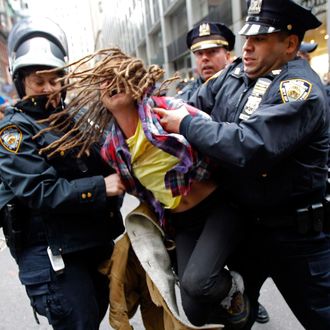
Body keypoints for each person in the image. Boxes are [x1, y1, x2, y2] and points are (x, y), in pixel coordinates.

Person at [36, 47, 249, 329]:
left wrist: (186, 128)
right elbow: (138, 190)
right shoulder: (112, 148)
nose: (111, 85)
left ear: (134, 82)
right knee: (194, 310)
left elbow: (219, 141)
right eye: (105, 82)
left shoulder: (167, 111)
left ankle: (234, 290)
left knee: (199, 283)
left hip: (219, 208)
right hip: (181, 223)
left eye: (118, 78)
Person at [153, 0, 330, 329]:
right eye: (247, 37)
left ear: (290, 44)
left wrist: (186, 125)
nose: (246, 48)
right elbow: (192, 103)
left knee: (321, 315)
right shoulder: (234, 74)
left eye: (260, 40)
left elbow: (251, 144)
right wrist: (147, 106)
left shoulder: (300, 90)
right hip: (246, 225)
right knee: (215, 312)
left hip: (294, 236)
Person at [0, 17, 125, 330]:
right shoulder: (13, 130)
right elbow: (38, 190)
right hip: (52, 255)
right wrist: (101, 187)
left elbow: (111, 156)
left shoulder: (75, 119)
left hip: (91, 245)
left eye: (55, 80)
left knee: (93, 316)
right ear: (20, 82)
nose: (48, 89)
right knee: (78, 321)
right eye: (38, 82)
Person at [177, 22, 235, 102]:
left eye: (212, 51)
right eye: (200, 53)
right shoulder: (185, 97)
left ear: (227, 56)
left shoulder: (239, 89)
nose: (204, 58)